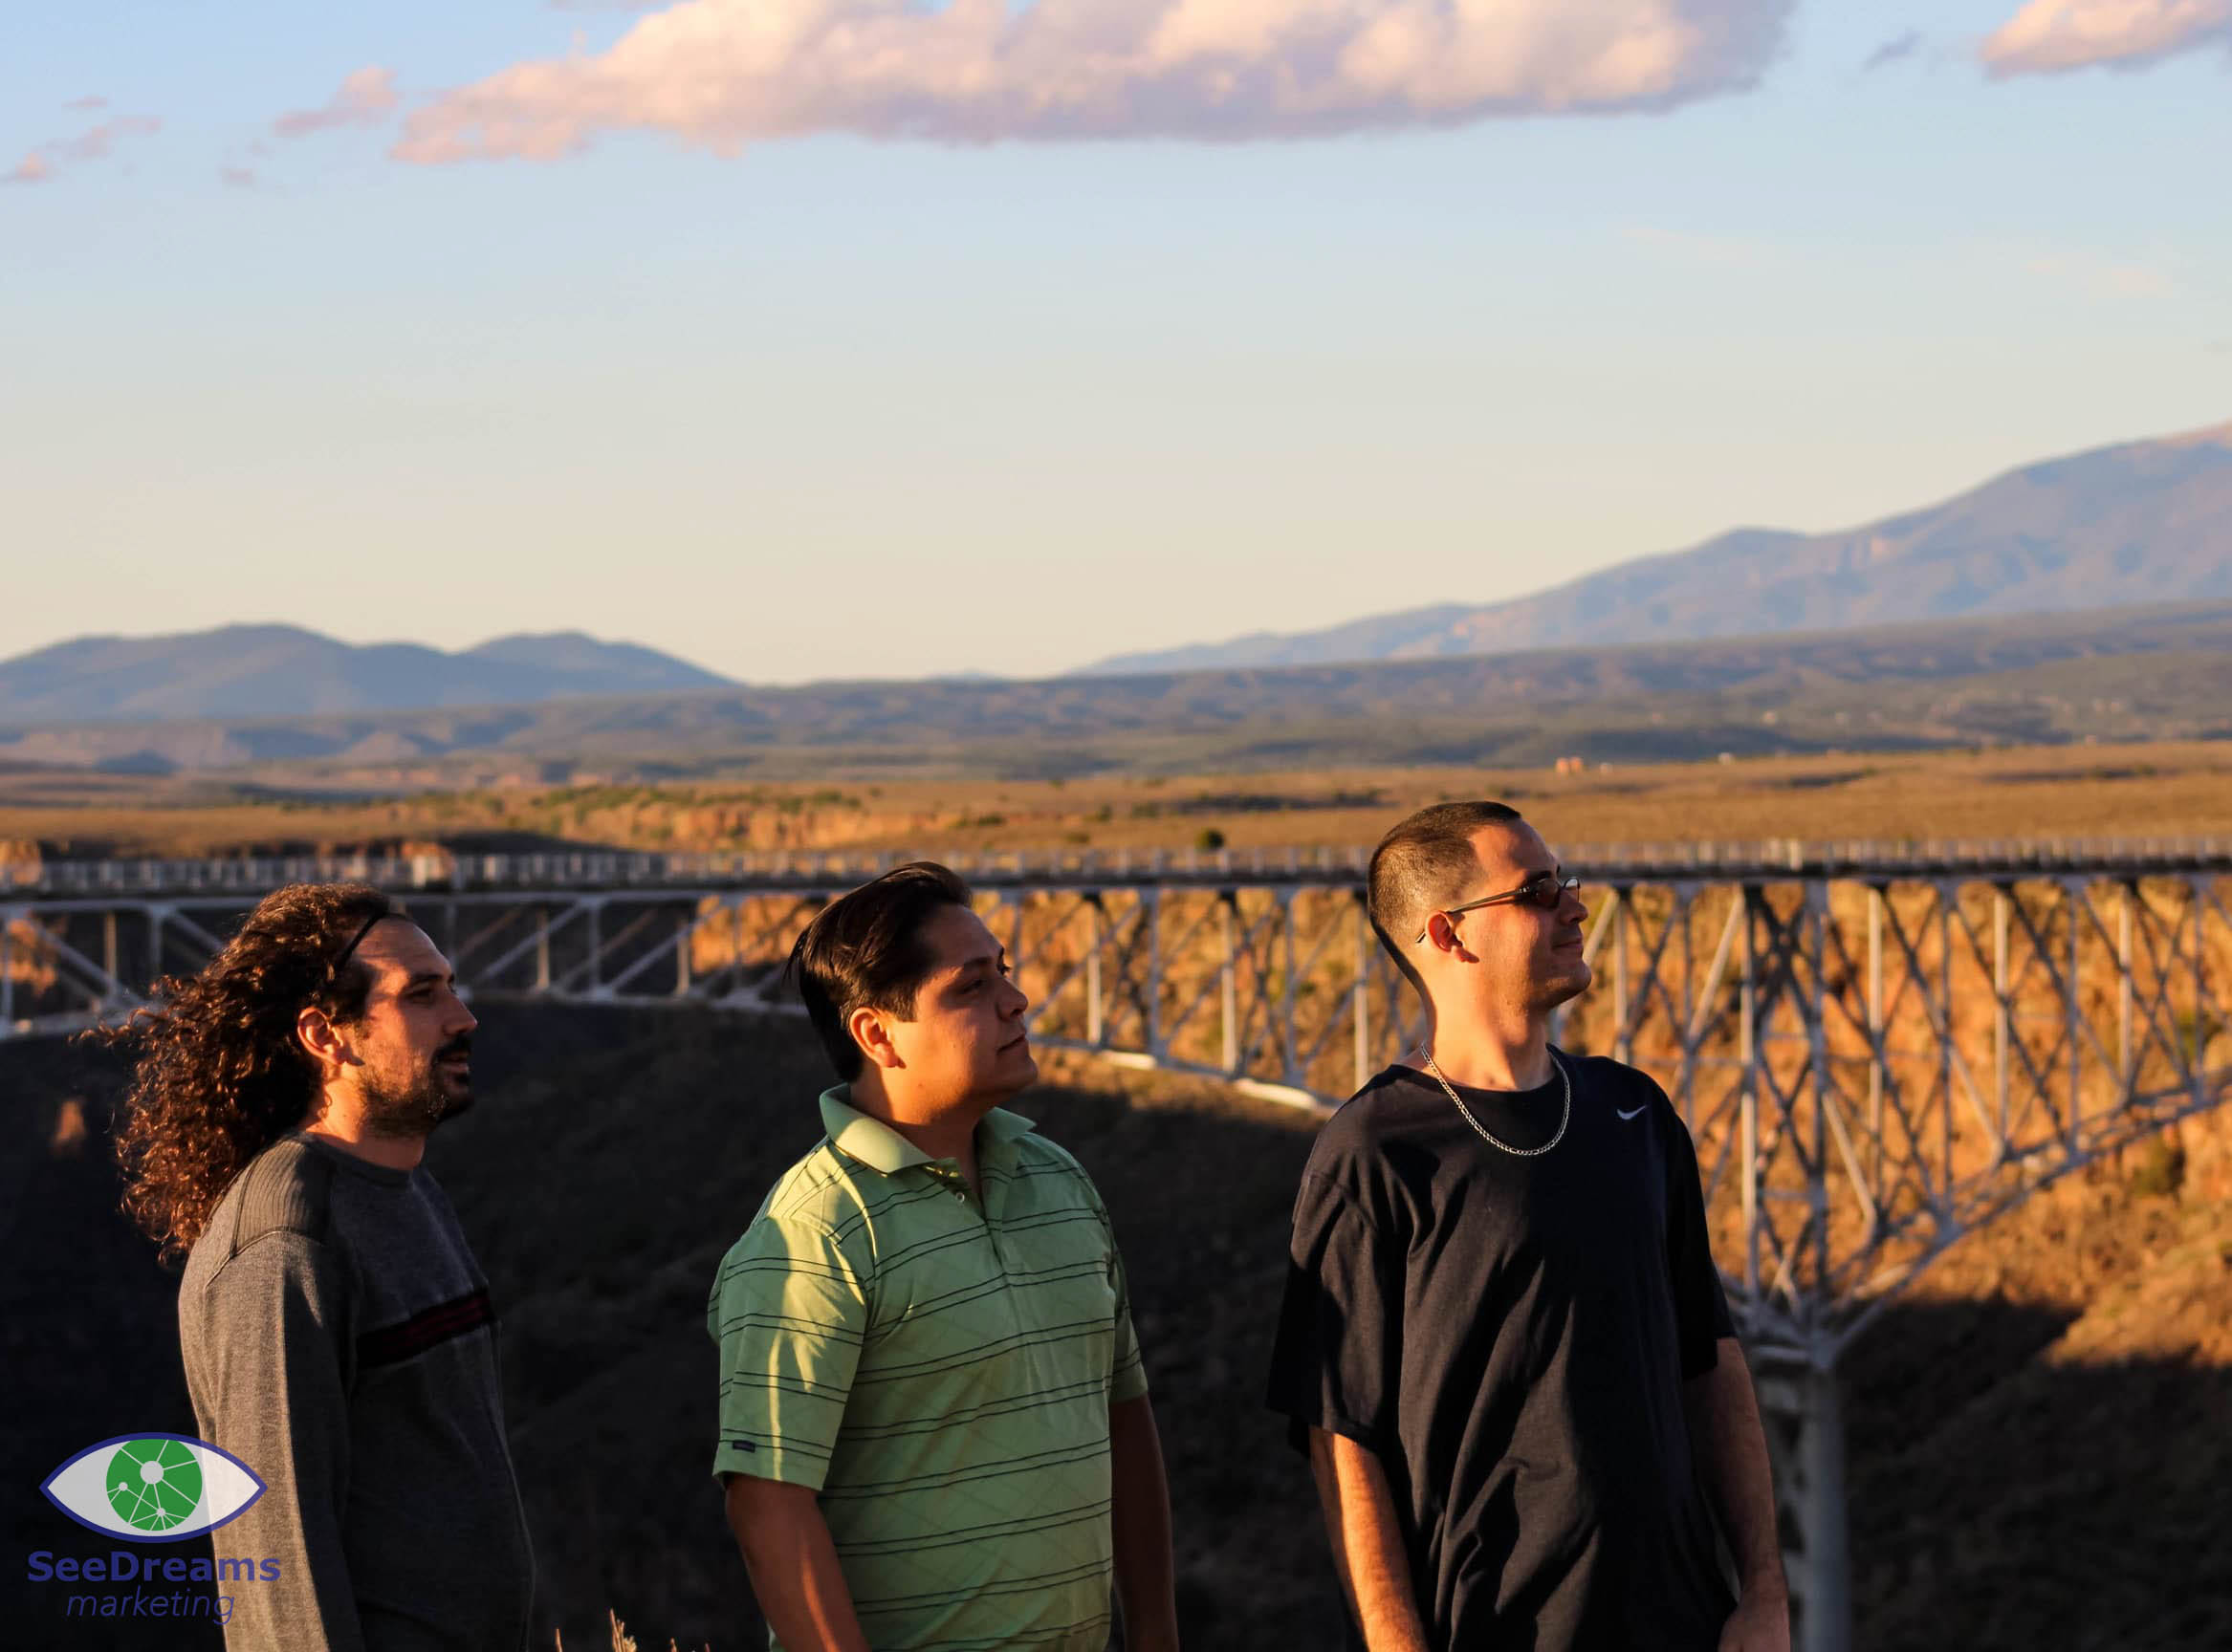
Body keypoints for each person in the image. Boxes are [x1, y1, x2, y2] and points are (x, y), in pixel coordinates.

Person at [1265, 802, 1788, 1652]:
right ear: (1449, 933)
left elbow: (1711, 1360)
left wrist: (1764, 1595)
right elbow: (1340, 1432)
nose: (1575, 905)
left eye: (1566, 881)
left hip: (1686, 1624)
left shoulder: (1635, 1111)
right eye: (1539, 891)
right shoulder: (1373, 1153)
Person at [709, 861, 1180, 1652]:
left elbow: (1123, 1418)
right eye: (970, 988)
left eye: (1004, 971)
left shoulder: (1061, 1183)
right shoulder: (817, 1231)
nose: (1016, 1000)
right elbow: (767, 1504)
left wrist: (1159, 1636)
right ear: (876, 1034)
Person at [106, 881, 533, 1652]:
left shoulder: (408, 1191)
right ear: (324, 1034)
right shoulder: (284, 1243)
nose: (463, 1019)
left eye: (454, 991)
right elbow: (276, 1561)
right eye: (423, 996)